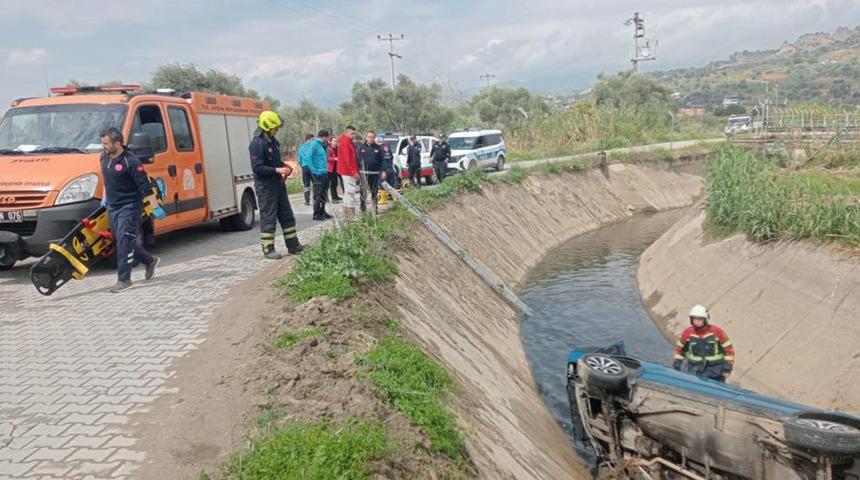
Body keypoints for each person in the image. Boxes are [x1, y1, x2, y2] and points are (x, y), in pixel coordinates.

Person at [98, 127, 164, 293]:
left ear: (118, 143)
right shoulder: (104, 157)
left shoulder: (131, 161)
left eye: (106, 143)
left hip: (130, 207)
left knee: (123, 241)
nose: (103, 146)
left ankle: (124, 279)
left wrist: (155, 207)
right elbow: (107, 179)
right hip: (113, 207)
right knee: (121, 241)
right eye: (102, 143)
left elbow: (145, 186)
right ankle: (149, 261)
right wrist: (104, 197)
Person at [250, 111, 303, 259]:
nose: (277, 130)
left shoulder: (272, 141)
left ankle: (293, 246)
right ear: (267, 126)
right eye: (275, 127)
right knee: (268, 218)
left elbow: (273, 161)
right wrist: (278, 169)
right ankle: (268, 249)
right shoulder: (257, 143)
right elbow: (257, 168)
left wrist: (283, 165)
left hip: (278, 184)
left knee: (287, 215)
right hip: (266, 187)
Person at [673, 304, 735, 382]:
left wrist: (727, 367)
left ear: (705, 319)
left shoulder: (716, 332)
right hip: (695, 371)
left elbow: (729, 350)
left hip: (716, 372)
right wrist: (677, 365)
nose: (697, 321)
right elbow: (680, 350)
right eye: (694, 318)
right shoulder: (687, 333)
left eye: (700, 319)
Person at [357, 130, 385, 214]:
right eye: (369, 137)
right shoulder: (361, 147)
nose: (371, 139)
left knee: (374, 192)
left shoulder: (378, 148)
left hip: (375, 174)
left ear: (375, 138)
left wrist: (383, 171)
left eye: (372, 137)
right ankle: (363, 210)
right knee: (363, 192)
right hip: (364, 174)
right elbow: (357, 161)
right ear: (366, 137)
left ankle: (374, 209)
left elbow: (382, 160)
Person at [336, 126, 359, 218]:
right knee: (350, 191)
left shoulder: (348, 141)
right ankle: (350, 214)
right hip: (347, 171)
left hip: (347, 170)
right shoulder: (345, 142)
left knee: (347, 192)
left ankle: (346, 212)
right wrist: (353, 171)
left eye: (354, 134)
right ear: (347, 132)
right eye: (352, 134)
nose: (353, 136)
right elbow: (347, 159)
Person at [308, 130, 332, 221]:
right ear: (324, 137)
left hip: (324, 172)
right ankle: (317, 213)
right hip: (318, 173)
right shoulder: (314, 144)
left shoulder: (322, 145)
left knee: (324, 193)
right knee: (318, 194)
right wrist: (313, 170)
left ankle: (323, 211)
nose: (328, 139)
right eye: (327, 137)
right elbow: (308, 157)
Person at [297, 133, 315, 206]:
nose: (313, 141)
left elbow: (300, 160)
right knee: (315, 183)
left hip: (305, 167)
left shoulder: (301, 148)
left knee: (306, 184)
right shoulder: (313, 147)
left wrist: (302, 166)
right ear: (308, 139)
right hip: (312, 167)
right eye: (312, 139)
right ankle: (314, 199)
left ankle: (307, 201)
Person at [326, 137, 342, 203]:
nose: (335, 142)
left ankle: (335, 196)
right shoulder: (329, 149)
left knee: (335, 183)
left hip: (337, 168)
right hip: (331, 169)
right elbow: (327, 158)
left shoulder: (338, 149)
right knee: (332, 184)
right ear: (331, 142)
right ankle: (333, 198)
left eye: (336, 141)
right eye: (334, 141)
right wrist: (334, 159)